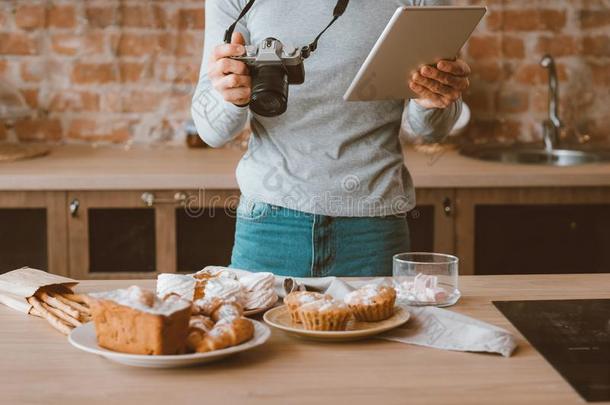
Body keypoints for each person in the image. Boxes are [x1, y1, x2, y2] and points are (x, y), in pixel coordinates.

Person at [192, 0, 471, 277]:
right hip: (269, 224)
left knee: (381, 321)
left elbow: (431, 130)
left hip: (373, 226)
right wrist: (230, 96)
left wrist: (432, 99)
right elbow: (212, 131)